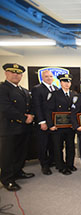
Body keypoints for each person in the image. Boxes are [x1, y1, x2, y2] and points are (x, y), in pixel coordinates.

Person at [0, 63, 35, 191]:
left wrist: (31, 115)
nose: (15, 75)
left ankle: (18, 172)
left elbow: (30, 106)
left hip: (23, 128)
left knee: (21, 153)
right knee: (8, 155)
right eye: (12, 72)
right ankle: (7, 179)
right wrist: (24, 118)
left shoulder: (24, 90)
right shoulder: (3, 89)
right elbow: (5, 108)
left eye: (18, 73)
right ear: (6, 73)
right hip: (9, 128)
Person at [45, 73, 77, 175]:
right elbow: (48, 111)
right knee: (58, 147)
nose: (67, 84)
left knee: (71, 146)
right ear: (60, 82)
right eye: (64, 81)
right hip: (57, 127)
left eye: (68, 81)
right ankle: (60, 166)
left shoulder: (74, 95)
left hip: (70, 126)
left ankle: (70, 164)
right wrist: (50, 125)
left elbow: (77, 111)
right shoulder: (54, 94)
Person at [31, 70, 58, 175]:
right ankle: (44, 165)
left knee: (52, 143)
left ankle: (51, 161)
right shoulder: (37, 89)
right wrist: (42, 122)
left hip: (53, 122)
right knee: (43, 145)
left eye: (51, 76)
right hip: (43, 122)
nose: (49, 78)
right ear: (42, 77)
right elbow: (37, 106)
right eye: (46, 76)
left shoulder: (55, 88)